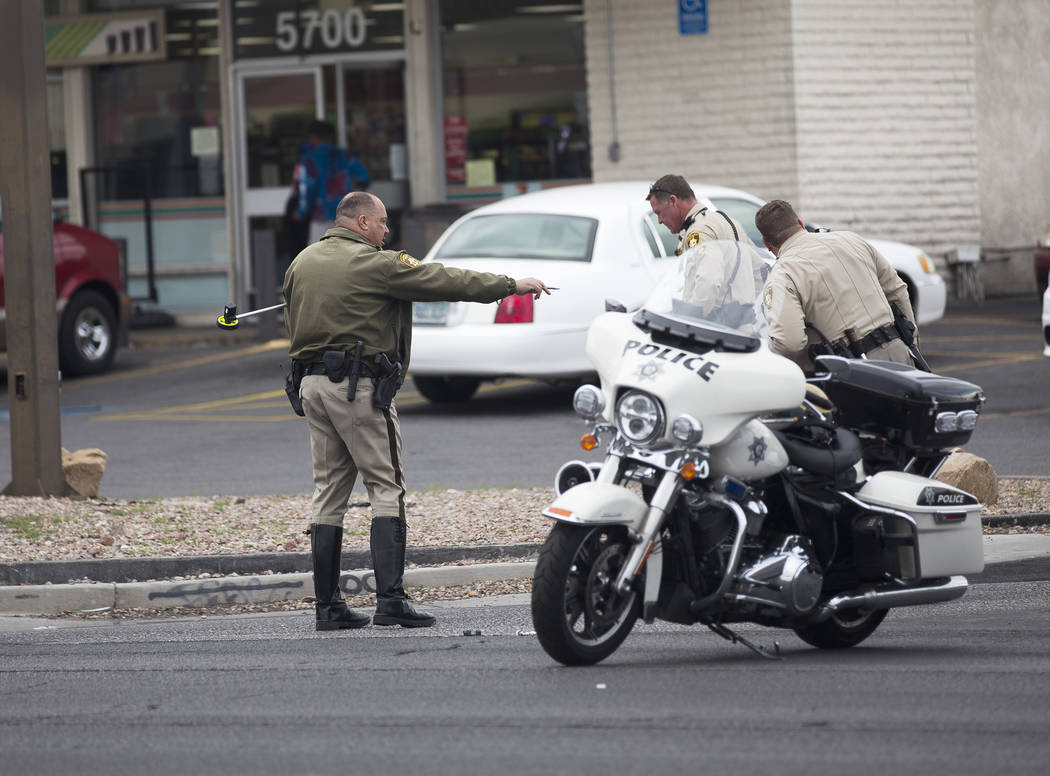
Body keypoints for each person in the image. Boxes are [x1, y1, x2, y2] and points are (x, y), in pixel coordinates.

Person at [283, 191, 549, 630]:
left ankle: (327, 608)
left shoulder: (302, 262)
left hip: (311, 386)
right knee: (385, 487)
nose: (387, 231)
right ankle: (391, 600)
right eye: (383, 222)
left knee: (329, 493)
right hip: (357, 387)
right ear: (363, 222)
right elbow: (443, 279)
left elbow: (294, 318)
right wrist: (510, 285)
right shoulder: (376, 263)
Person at [755, 199, 919, 372]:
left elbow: (789, 342)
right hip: (899, 353)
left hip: (851, 375)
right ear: (800, 223)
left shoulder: (782, 273)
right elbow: (898, 291)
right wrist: (911, 342)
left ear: (766, 243)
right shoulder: (851, 239)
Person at [292, 119, 372, 245]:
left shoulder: (309, 160)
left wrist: (300, 212)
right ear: (331, 136)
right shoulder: (347, 156)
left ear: (312, 138)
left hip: (321, 216)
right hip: (347, 216)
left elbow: (307, 188)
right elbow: (364, 177)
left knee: (318, 258)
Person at [646, 174, 755, 255]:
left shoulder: (698, 231)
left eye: (659, 213)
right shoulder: (726, 221)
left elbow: (706, 282)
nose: (660, 221)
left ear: (673, 201)